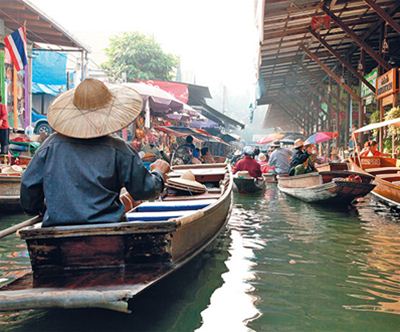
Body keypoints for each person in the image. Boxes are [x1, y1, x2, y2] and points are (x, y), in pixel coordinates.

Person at [20, 78, 170, 227]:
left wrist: (40, 210)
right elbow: (145, 190)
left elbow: (29, 189)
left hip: (56, 230)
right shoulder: (119, 149)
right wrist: (158, 173)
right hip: (107, 231)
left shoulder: (50, 146)